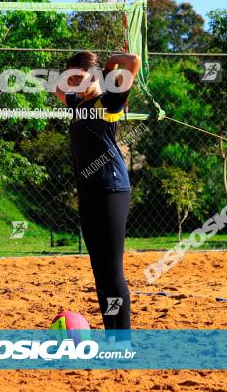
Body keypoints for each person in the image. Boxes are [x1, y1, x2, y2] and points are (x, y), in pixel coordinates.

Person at [54, 50, 141, 346]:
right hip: (89, 192)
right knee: (100, 271)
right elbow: (57, 89)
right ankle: (111, 338)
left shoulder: (109, 102)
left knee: (112, 269)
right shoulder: (78, 104)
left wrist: (109, 65)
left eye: (77, 77)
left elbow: (134, 62)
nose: (71, 83)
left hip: (111, 188)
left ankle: (122, 341)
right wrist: (77, 80)